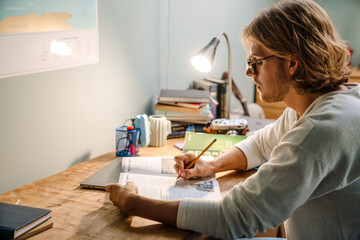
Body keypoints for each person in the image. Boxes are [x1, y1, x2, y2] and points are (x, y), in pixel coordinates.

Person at [106, 0, 360, 239]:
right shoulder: (320, 104)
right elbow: (262, 145)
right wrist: (212, 165)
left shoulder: (319, 130)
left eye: (255, 61)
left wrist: (133, 203)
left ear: (292, 63)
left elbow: (233, 217)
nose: (248, 72)